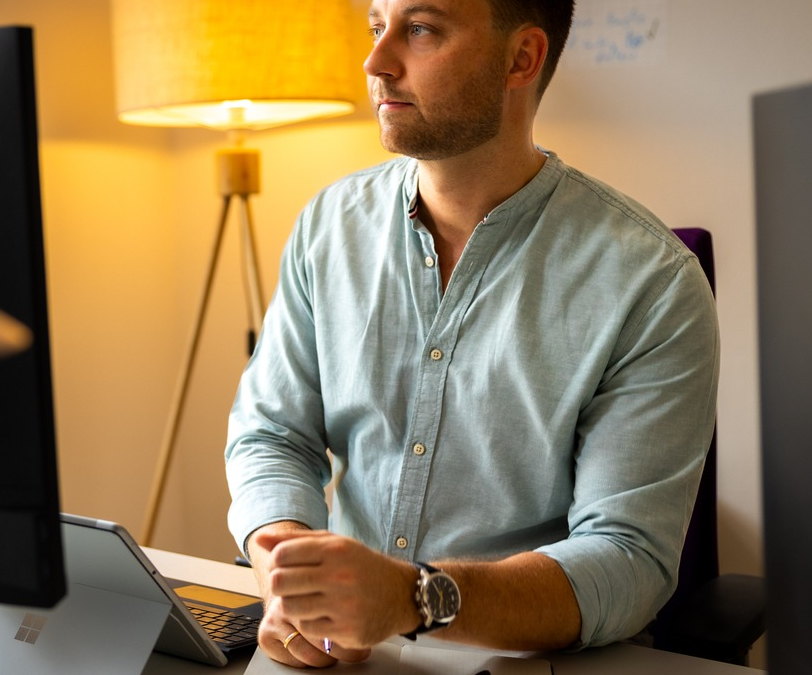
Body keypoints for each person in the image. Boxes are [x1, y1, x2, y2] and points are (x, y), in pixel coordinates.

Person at [223, 0, 720, 669]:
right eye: (377, 27)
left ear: (523, 59)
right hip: (342, 656)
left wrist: (413, 598)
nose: (375, 61)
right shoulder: (328, 226)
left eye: (420, 29)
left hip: (529, 660)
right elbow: (271, 433)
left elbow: (627, 561)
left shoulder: (652, 282)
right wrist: (288, 572)